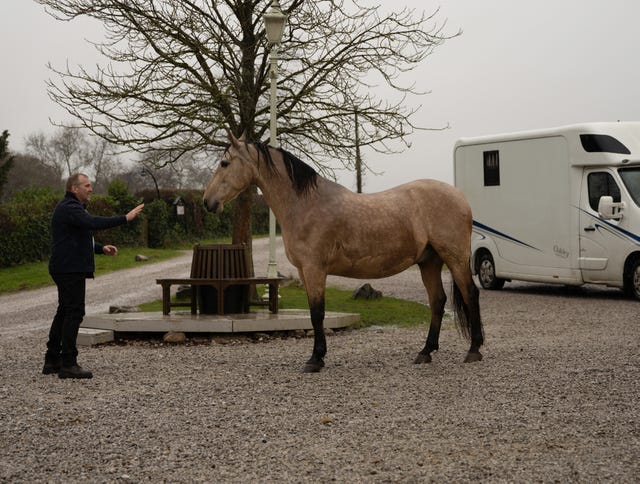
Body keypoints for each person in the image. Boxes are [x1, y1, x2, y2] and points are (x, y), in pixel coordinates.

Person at [43, 173, 144, 379]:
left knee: (64, 311)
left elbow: (78, 236)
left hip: (65, 267)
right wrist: (125, 218)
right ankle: (68, 363)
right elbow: (93, 223)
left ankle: (52, 359)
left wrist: (100, 248)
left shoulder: (72, 208)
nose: (91, 189)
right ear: (74, 188)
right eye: (87, 185)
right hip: (69, 268)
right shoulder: (70, 208)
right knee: (74, 312)